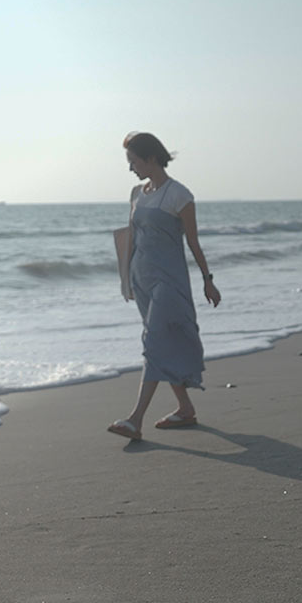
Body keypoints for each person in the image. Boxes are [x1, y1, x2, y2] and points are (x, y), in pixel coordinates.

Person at [108, 132, 221, 441]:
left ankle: (135, 419)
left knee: (155, 342)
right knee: (164, 341)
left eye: (133, 161)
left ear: (151, 158)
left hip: (169, 281)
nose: (130, 168)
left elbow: (193, 243)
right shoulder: (136, 193)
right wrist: (127, 279)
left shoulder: (179, 195)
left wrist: (208, 280)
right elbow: (133, 239)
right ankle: (185, 408)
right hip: (142, 279)